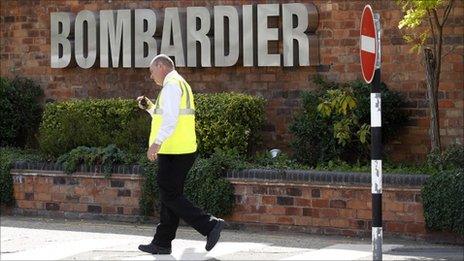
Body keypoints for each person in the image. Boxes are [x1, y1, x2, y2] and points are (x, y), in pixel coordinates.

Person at [136, 54, 225, 255]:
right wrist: (150, 107)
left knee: (170, 194)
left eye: (151, 72)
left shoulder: (171, 86)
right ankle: (162, 242)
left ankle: (210, 225)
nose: (151, 77)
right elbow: (165, 115)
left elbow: (170, 119)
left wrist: (156, 143)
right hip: (179, 149)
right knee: (170, 195)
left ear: (160, 66)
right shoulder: (178, 83)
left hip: (174, 150)